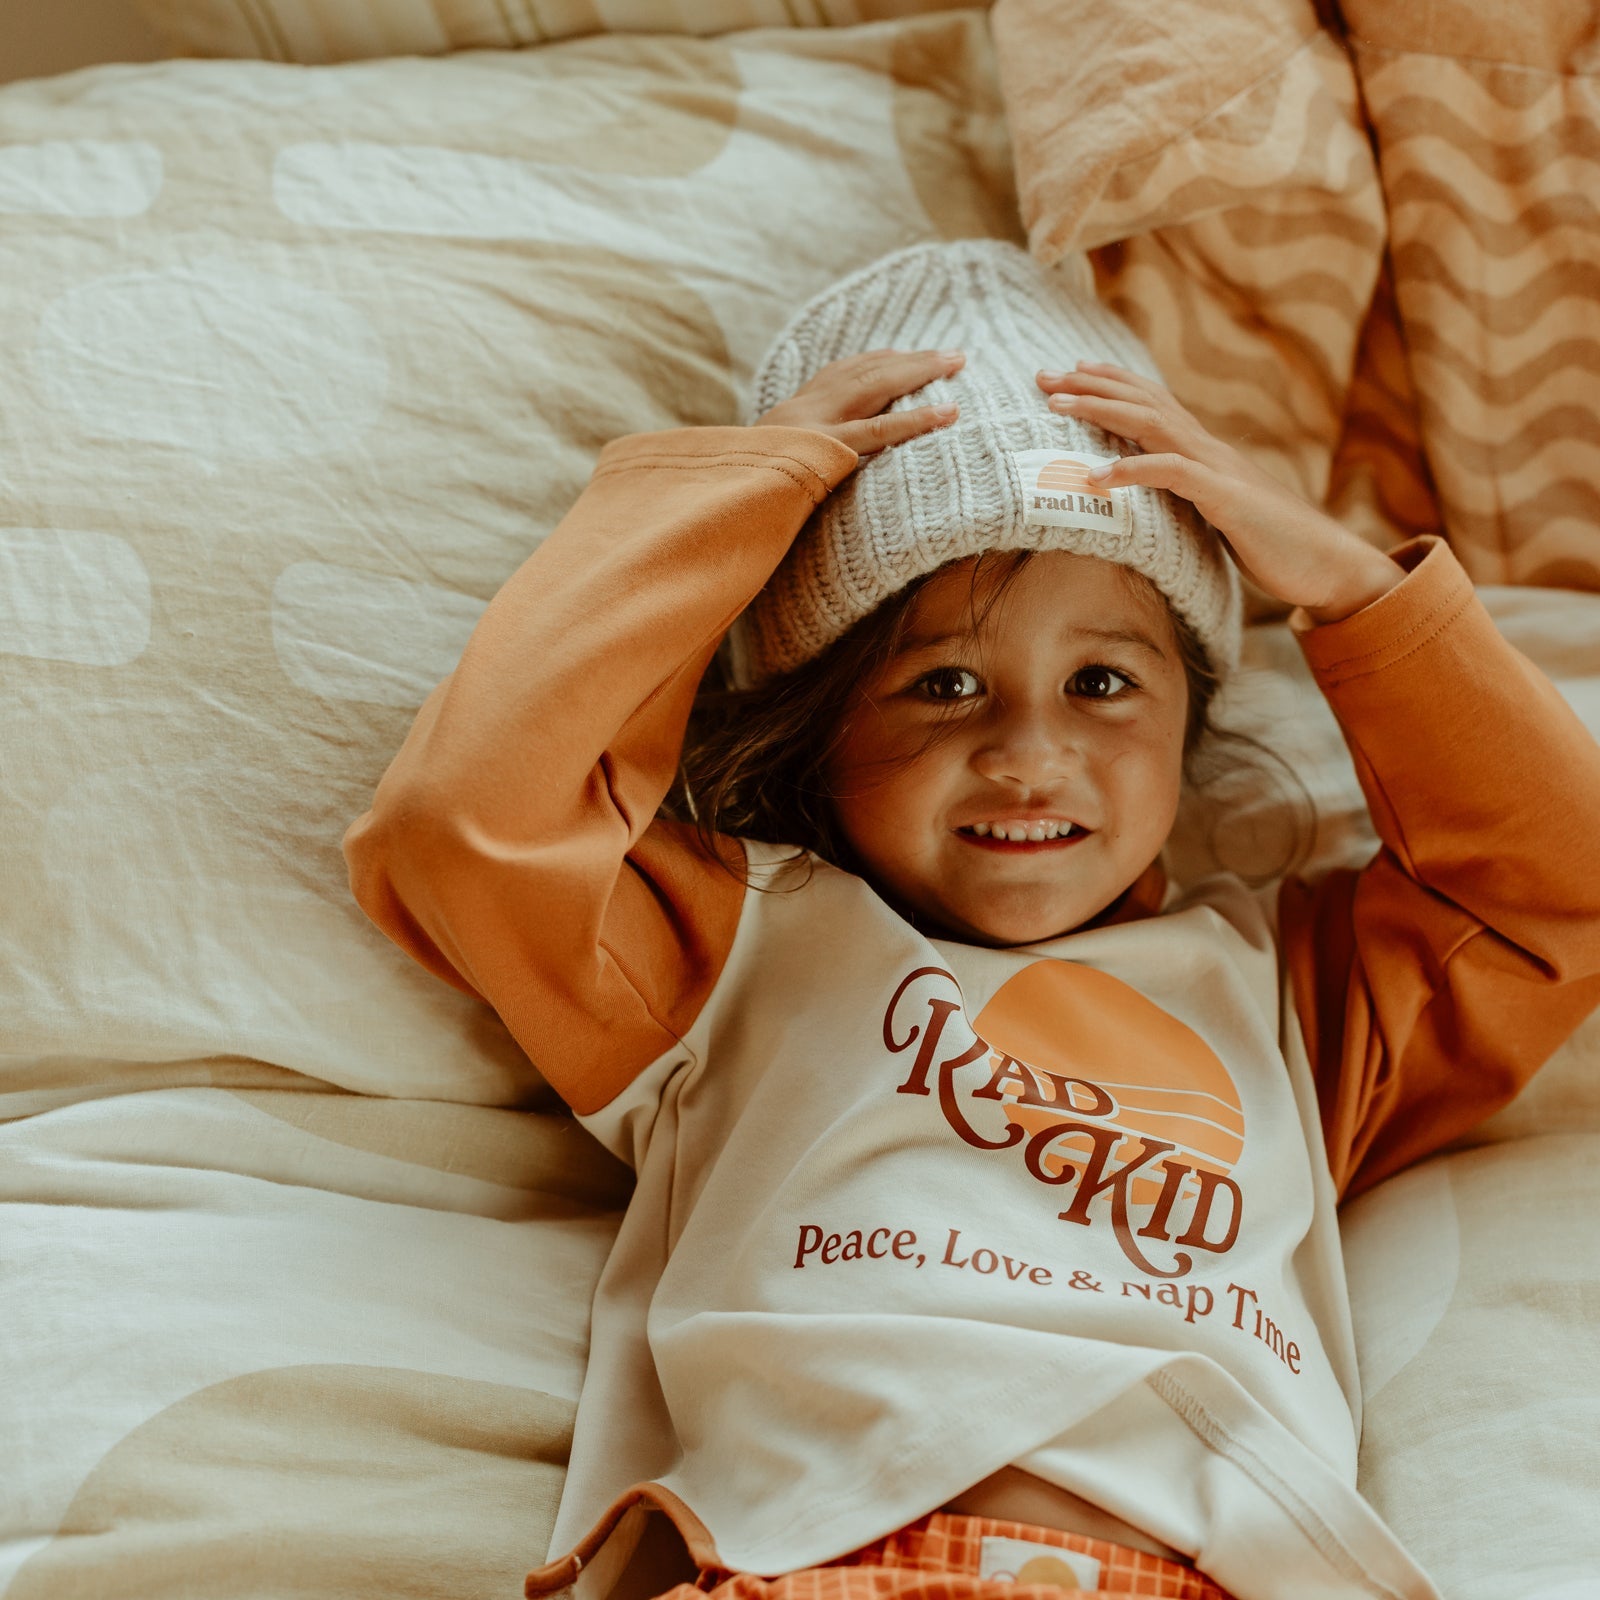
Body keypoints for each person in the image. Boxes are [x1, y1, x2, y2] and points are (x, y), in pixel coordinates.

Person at [341, 240, 1600, 1600]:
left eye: (1104, 682)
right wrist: (727, 502)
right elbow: (463, 826)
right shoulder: (729, 953)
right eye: (942, 684)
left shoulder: (1293, 999)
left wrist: (1355, 593)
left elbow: (1557, 883)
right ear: (817, 730)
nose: (1029, 756)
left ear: (1191, 721)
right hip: (805, 1564)